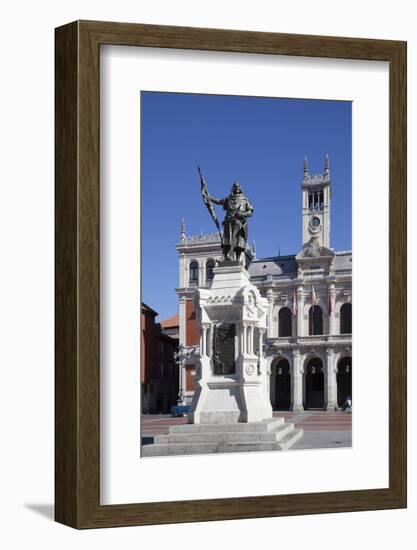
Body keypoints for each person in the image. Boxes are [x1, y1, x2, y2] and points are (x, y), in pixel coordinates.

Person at [209, 182, 253, 262]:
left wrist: (241, 213)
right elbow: (218, 201)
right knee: (226, 239)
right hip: (228, 222)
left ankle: (236, 258)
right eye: (235, 187)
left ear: (240, 188)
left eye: (238, 187)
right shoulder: (229, 199)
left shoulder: (245, 200)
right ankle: (224, 256)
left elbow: (250, 212)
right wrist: (208, 197)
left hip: (238, 222)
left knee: (237, 240)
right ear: (233, 188)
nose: (237, 188)